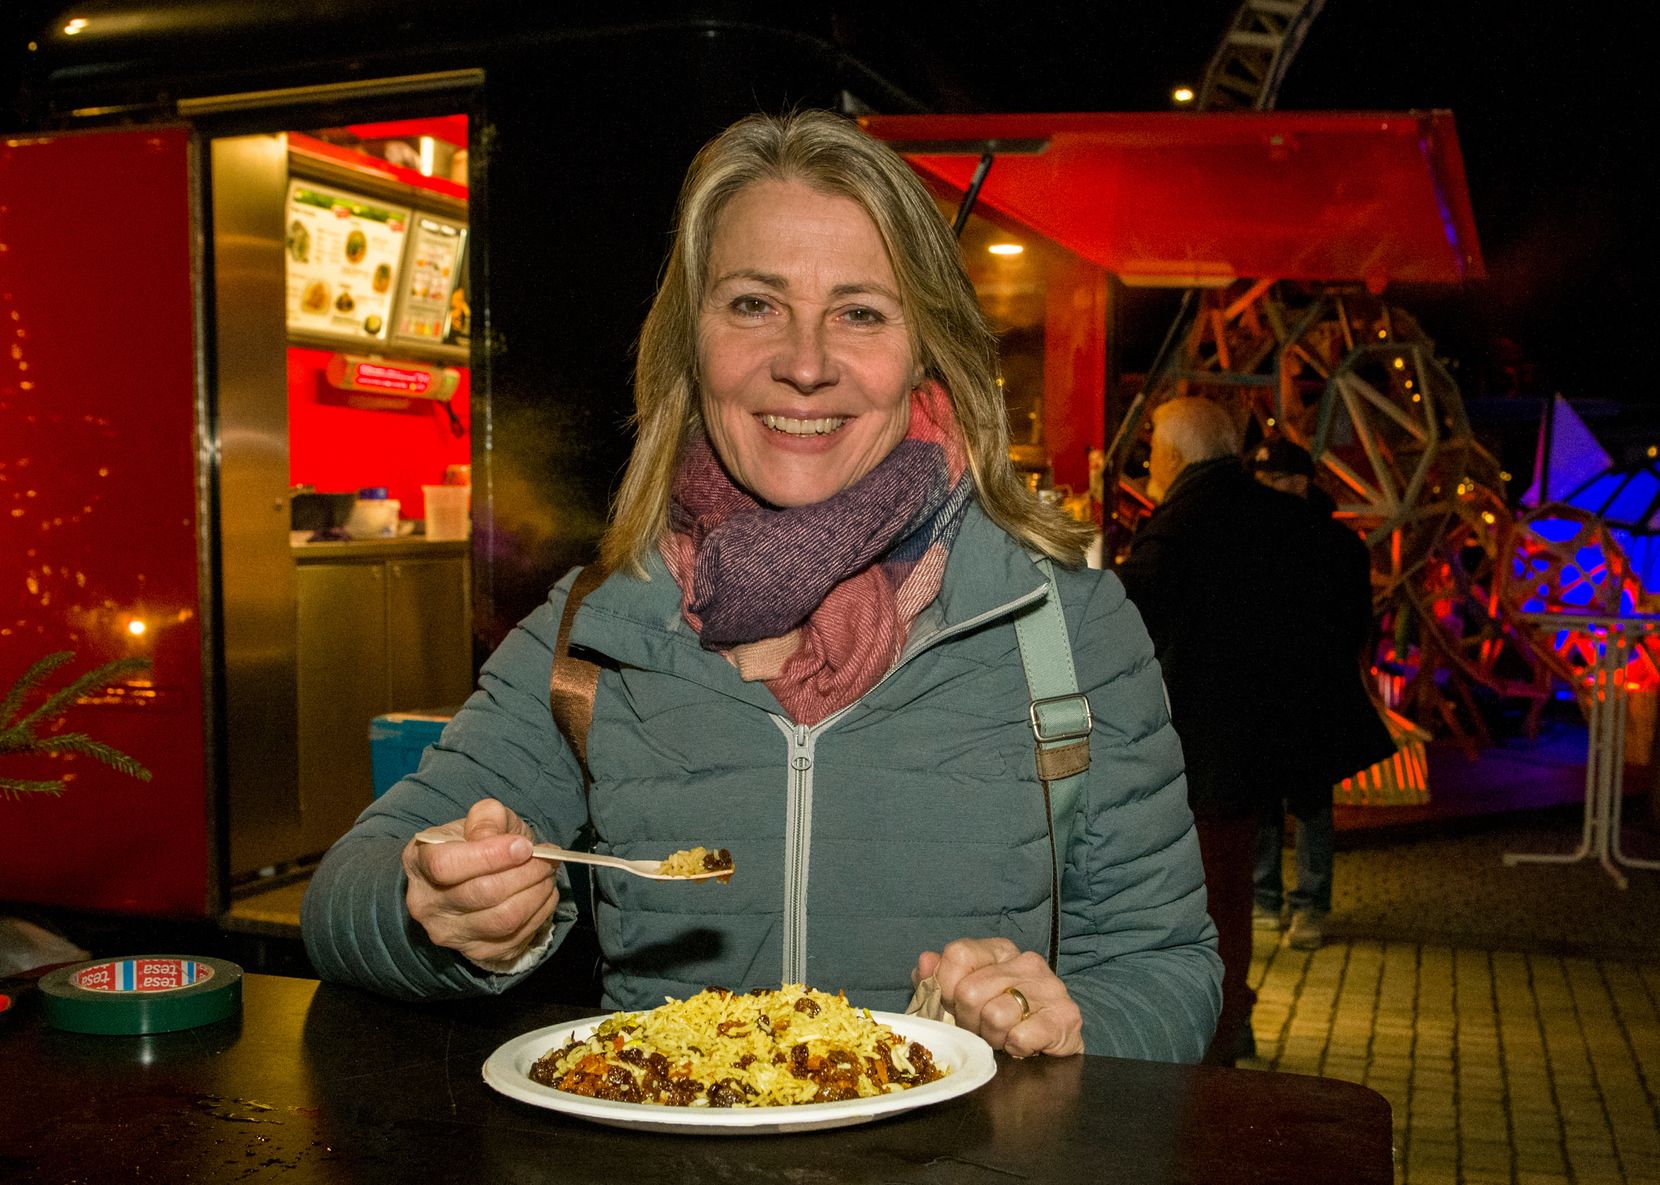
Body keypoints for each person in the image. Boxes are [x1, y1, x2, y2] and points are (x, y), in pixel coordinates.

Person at [302, 110, 1222, 1063]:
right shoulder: (596, 628)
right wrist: (434, 907)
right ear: (689, 344)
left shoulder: (1062, 627)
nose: (807, 362)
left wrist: (1068, 1030)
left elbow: (1168, 970)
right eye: (754, 303)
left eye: (860, 311)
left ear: (927, 350)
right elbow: (342, 898)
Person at [1114, 398, 1326, 1064]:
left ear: (1174, 454)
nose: (1149, 460)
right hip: (1256, 739)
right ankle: (1230, 1012)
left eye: (1153, 446)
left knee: (1205, 897)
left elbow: (1122, 623)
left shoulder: (1181, 522)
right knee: (1230, 891)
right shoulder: (1272, 515)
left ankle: (1217, 1025)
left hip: (1199, 748)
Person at [1245, 438, 1394, 950]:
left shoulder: (1325, 545)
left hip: (1303, 687)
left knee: (1303, 801)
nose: (1263, 490)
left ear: (1299, 482)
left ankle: (1298, 904)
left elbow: (1353, 622)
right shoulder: (1277, 539)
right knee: (1273, 798)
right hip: (1280, 685)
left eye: (1272, 480)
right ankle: (1279, 901)